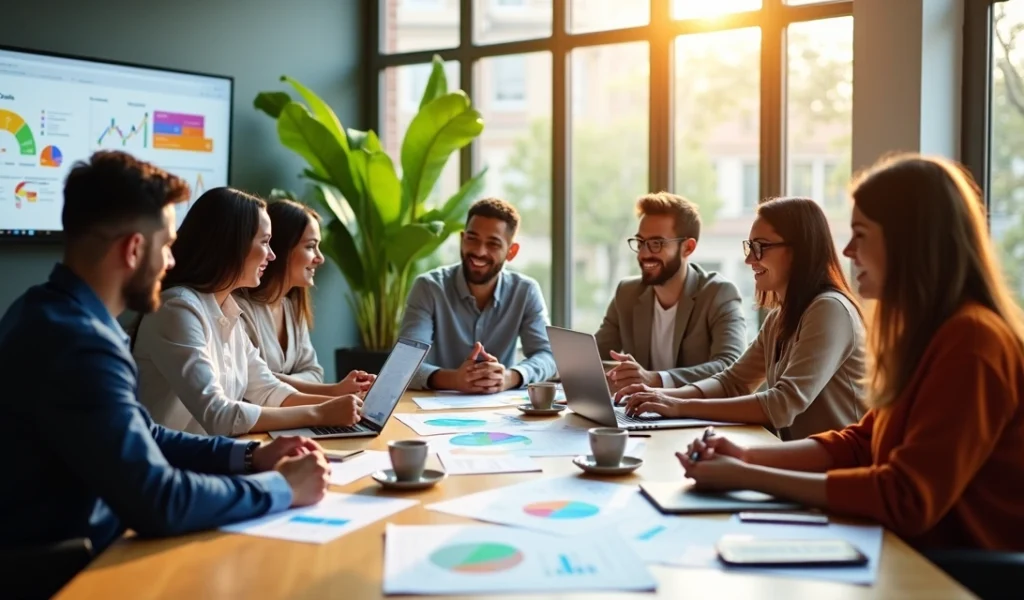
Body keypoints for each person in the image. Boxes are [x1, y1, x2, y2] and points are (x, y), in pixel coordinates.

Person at [677, 154, 1024, 550]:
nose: (846, 250)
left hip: (953, 572)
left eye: (860, 233)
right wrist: (746, 455)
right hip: (905, 549)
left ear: (907, 239)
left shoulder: (973, 342)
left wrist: (747, 476)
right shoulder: (927, 334)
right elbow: (860, 444)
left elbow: (905, 497)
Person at [0, 151, 331, 565]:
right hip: (66, 568)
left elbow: (145, 434)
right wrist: (281, 488)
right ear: (134, 250)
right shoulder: (78, 342)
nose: (173, 261)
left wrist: (249, 456)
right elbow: (160, 500)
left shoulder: (51, 311)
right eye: (168, 246)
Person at [617, 197, 866, 440]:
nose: (749, 259)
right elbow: (733, 382)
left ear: (799, 250)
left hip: (842, 473)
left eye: (761, 247)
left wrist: (679, 406)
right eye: (749, 247)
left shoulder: (829, 309)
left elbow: (783, 403)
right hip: (805, 465)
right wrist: (661, 396)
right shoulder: (779, 318)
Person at [132, 187, 362, 436]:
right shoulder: (177, 309)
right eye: (264, 242)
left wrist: (343, 404)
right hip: (170, 464)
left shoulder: (228, 310)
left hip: (214, 455)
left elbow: (267, 389)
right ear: (233, 244)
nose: (272, 255)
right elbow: (218, 414)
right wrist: (321, 412)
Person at [399, 197, 556, 392]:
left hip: (499, 409)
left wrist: (508, 377)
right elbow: (403, 365)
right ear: (462, 238)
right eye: (472, 239)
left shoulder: (525, 291)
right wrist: (454, 380)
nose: (479, 252)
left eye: (493, 244)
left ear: (511, 252)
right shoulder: (429, 288)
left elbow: (548, 356)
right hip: (429, 412)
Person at [596, 192, 747, 393]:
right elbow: (595, 356)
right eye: (641, 243)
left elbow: (730, 365)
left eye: (656, 243)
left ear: (688, 248)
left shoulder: (718, 293)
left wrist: (656, 379)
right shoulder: (627, 293)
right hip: (639, 413)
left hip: (698, 417)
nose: (644, 254)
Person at [235, 199, 375, 396]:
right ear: (282, 248)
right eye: (310, 246)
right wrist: (332, 390)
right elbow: (251, 380)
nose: (320, 258)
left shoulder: (292, 308)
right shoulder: (237, 309)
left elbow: (315, 373)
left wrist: (274, 378)